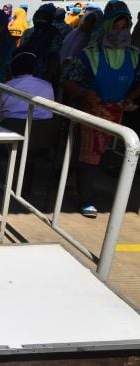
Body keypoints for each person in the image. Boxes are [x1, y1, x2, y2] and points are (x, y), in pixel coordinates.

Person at [62, 2, 140, 218]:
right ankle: (85, 198)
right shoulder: (90, 54)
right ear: (106, 28)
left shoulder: (134, 56)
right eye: (115, 27)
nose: (120, 32)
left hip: (117, 112)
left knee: (102, 155)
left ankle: (78, 183)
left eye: (124, 27)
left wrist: (130, 98)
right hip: (91, 112)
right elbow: (67, 81)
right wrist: (86, 94)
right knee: (89, 155)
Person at [0, 51, 54, 122]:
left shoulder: (3, 88)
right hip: (42, 132)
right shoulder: (48, 86)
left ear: (12, 68)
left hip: (9, 130)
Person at [18, 4, 63, 84]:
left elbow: (53, 58)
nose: (41, 19)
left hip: (27, 72)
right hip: (40, 75)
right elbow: (53, 59)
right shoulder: (55, 34)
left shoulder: (28, 32)